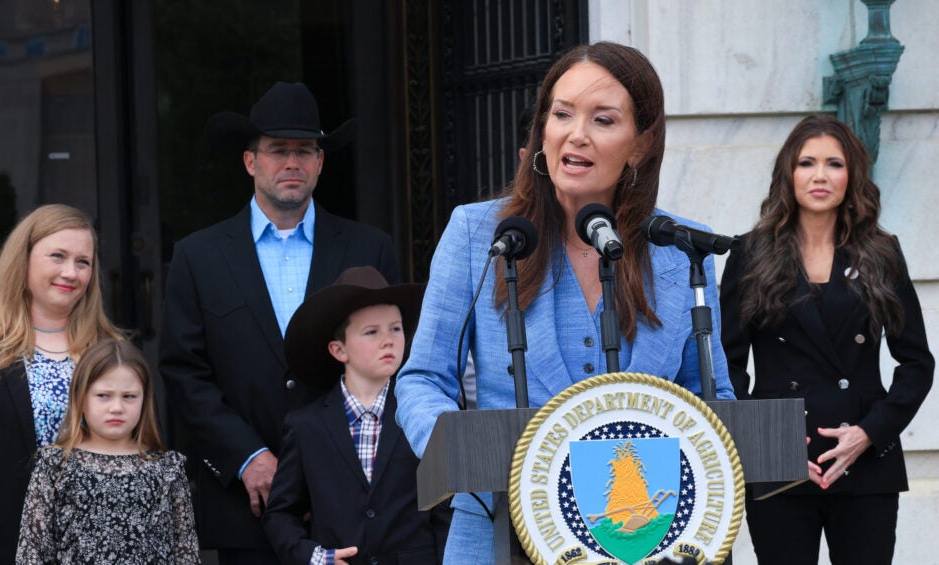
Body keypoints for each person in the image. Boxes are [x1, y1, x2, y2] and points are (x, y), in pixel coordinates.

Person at [394, 41, 736, 563]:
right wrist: (460, 448)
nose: (576, 134)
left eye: (603, 119)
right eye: (561, 114)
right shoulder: (477, 233)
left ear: (641, 144)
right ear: (542, 131)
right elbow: (422, 380)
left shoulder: (680, 249)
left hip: (641, 535)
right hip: (500, 531)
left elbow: (708, 392)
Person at [160, 81, 400, 563]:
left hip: (354, 500)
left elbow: (393, 362)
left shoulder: (369, 248)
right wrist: (246, 457)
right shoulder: (197, 257)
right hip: (244, 503)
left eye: (304, 150)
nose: (292, 162)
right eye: (277, 150)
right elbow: (183, 372)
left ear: (320, 162)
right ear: (251, 161)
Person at [720, 115, 934, 564]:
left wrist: (869, 433)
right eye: (807, 163)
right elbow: (725, 364)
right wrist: (766, 440)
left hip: (864, 459)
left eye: (834, 164)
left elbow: (916, 363)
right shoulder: (750, 253)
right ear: (788, 173)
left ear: (852, 176)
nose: (820, 175)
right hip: (778, 463)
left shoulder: (882, 253)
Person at [0, 204, 123, 563]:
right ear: (24, 260)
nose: (71, 272)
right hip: (11, 548)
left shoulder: (112, 352)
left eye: (83, 262)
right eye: (58, 256)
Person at [262, 266, 442, 565]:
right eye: (371, 332)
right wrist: (315, 557)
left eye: (396, 328)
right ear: (339, 350)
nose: (388, 340)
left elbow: (447, 508)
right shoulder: (306, 426)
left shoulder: (423, 414)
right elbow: (281, 513)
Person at [15, 338, 200, 563]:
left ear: (145, 399)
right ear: (81, 397)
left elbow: (186, 552)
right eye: (103, 395)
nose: (117, 407)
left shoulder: (168, 468)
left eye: (129, 396)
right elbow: (32, 553)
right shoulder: (54, 466)